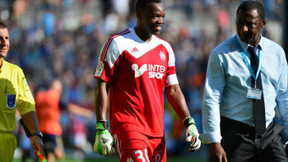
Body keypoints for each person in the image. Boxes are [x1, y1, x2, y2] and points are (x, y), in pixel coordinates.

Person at [93, 0, 201, 161]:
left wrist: (189, 121)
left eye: (163, 17)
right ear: (139, 15)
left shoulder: (165, 49)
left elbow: (173, 89)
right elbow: (102, 84)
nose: (161, 21)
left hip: (157, 131)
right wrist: (101, 126)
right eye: (155, 16)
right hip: (128, 127)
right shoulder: (118, 43)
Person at [200, 1, 288, 162]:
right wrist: (214, 141)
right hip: (235, 134)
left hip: (269, 133)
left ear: (263, 24)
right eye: (239, 23)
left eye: (250, 24)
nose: (243, 29)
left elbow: (284, 96)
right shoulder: (221, 54)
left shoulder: (276, 53)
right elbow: (211, 99)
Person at [0, 22, 45, 161]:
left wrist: (35, 134)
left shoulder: (16, 72)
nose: (4, 43)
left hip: (5, 143)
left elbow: (26, 106)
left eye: (7, 38)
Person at [35, 79, 93, 162]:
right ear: (57, 89)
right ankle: (51, 148)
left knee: (43, 157)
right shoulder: (54, 97)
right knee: (59, 155)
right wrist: (85, 112)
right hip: (52, 130)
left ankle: (48, 149)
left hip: (40, 130)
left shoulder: (39, 96)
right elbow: (69, 107)